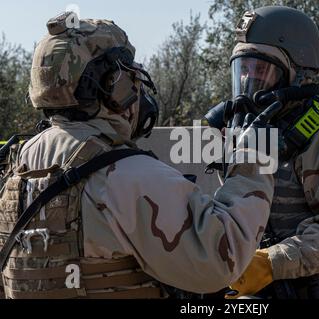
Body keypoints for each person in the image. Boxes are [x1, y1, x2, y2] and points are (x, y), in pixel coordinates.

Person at [0, 13, 274, 299]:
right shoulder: (129, 175)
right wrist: (252, 158)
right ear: (112, 84)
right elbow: (221, 260)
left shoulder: (15, 168)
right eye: (129, 73)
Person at [206, 6, 319, 299]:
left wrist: (273, 262)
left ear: (297, 72)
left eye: (261, 70)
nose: (248, 81)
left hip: (307, 287)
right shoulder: (244, 126)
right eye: (244, 69)